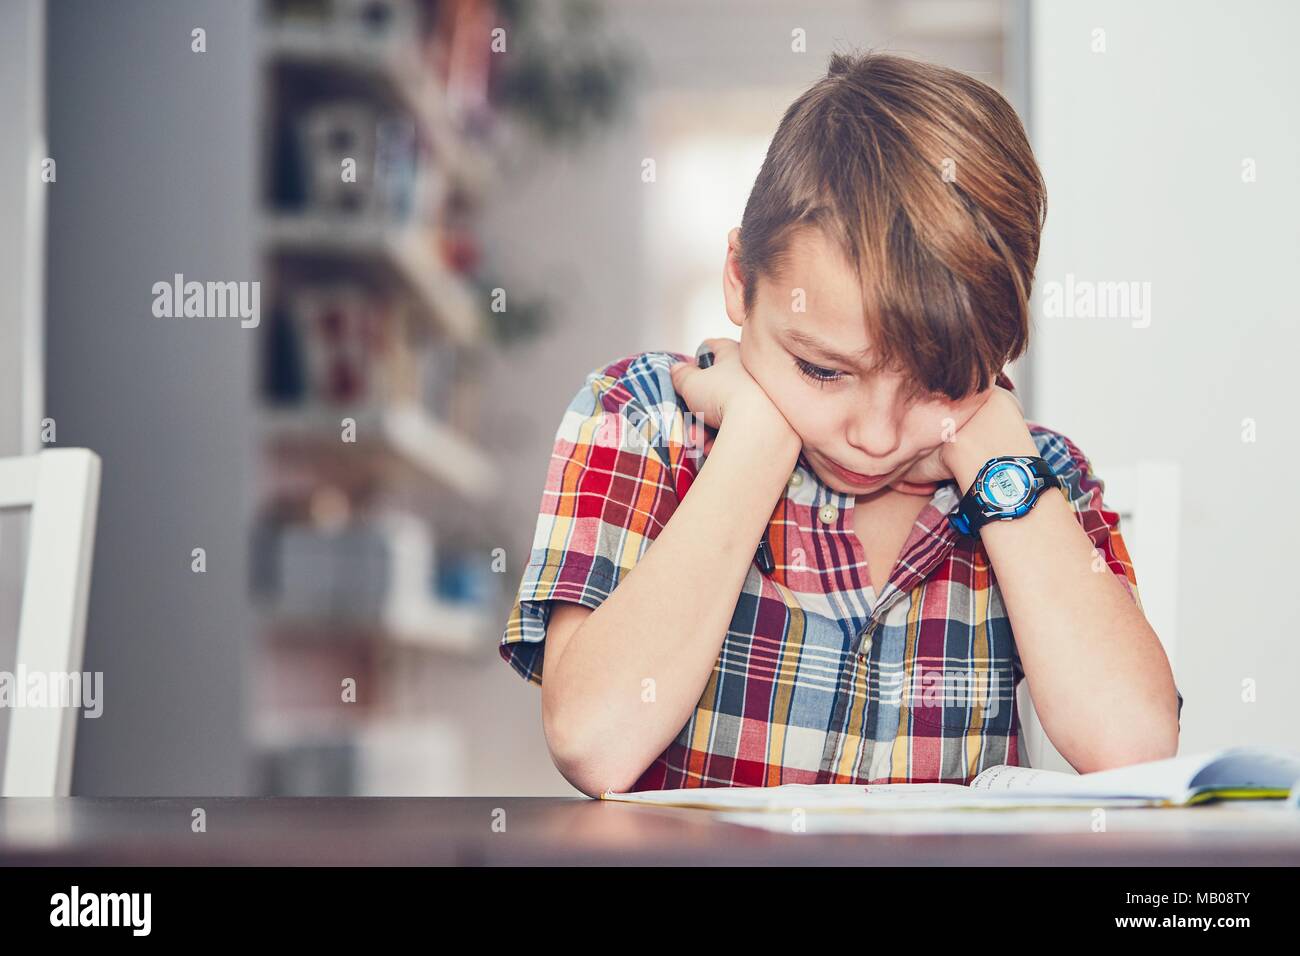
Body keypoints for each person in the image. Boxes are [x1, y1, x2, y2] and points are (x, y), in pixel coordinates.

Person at [500, 50, 1182, 797]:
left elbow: (1137, 753)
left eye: (942, 384)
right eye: (823, 371)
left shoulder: (1029, 477)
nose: (877, 437)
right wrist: (757, 445)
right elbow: (594, 743)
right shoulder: (643, 418)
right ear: (739, 279)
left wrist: (995, 456)